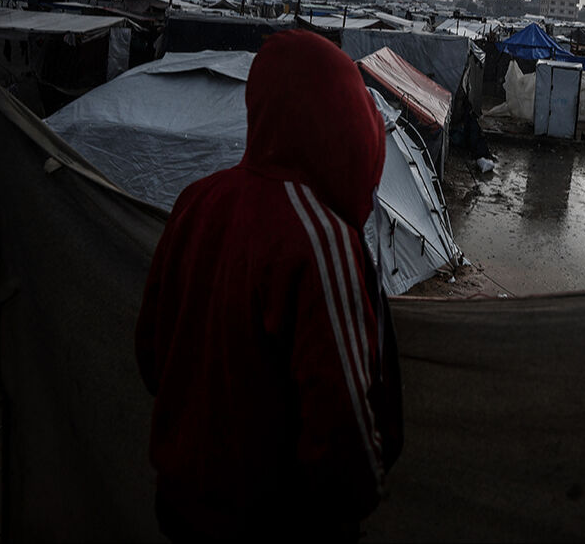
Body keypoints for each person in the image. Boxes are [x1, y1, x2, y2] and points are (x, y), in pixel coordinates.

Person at [136, 29, 403, 540]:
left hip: (177, 505)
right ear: (340, 122)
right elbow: (344, 422)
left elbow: (152, 355)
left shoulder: (196, 201)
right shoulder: (321, 238)